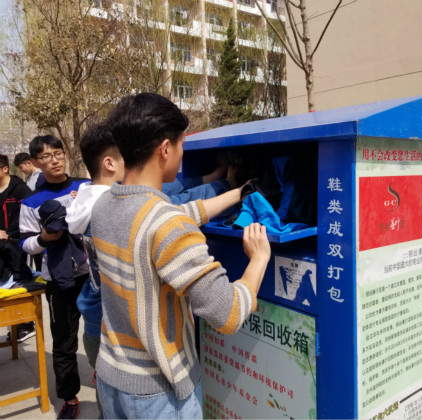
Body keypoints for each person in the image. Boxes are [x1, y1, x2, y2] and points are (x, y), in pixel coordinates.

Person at [91, 92, 271, 419]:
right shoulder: (167, 225)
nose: (182, 152)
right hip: (159, 394)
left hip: (111, 378)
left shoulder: (104, 205)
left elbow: (175, 215)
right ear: (165, 148)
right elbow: (227, 314)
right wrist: (258, 259)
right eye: (181, 144)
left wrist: (238, 192)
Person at [66, 121, 236, 419]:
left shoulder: (97, 204)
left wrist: (223, 183)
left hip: (109, 353)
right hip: (153, 379)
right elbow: (226, 312)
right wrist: (258, 258)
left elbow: (171, 204)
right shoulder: (138, 213)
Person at [19, 135, 90, 419]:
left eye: (58, 153)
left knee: (104, 331)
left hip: (93, 274)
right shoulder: (31, 201)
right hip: (59, 281)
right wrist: (45, 238)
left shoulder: (85, 187)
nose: (55, 160)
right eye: (46, 156)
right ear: (36, 162)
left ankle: (104, 376)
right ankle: (69, 398)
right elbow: (25, 244)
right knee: (63, 341)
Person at [0, 154, 36, 343]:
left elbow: (32, 215)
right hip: (1, 245)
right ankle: (15, 324)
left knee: (19, 282)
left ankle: (25, 325)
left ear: (5, 169)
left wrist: (13, 235)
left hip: (17, 244)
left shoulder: (20, 189)